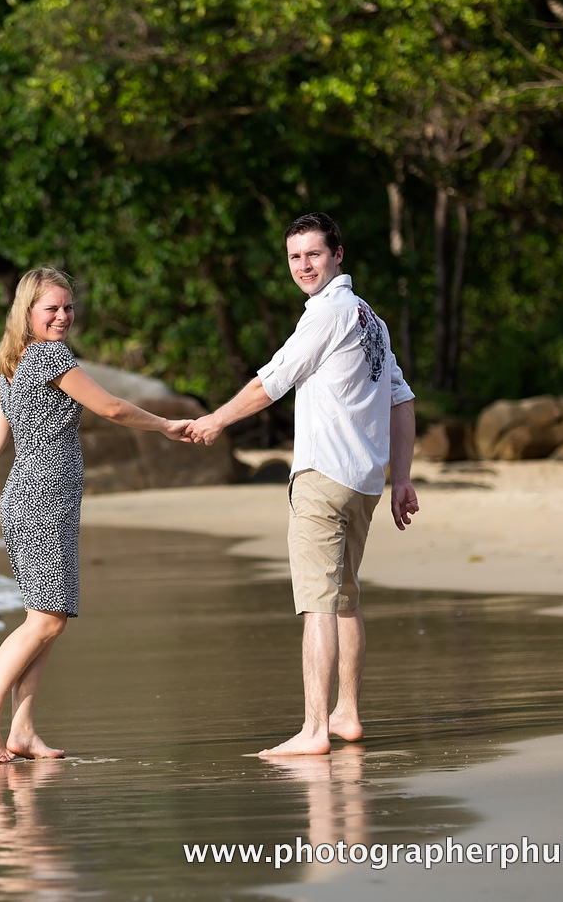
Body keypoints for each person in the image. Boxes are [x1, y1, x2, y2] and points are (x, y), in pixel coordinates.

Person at [188, 212, 419, 756]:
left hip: (322, 477)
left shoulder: (327, 314)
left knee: (319, 604)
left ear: (338, 253)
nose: (303, 266)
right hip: (363, 482)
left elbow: (272, 380)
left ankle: (314, 729)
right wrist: (400, 477)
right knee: (344, 601)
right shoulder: (371, 320)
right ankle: (347, 715)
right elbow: (402, 398)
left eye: (313, 254)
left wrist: (215, 421)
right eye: (294, 257)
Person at [0, 267, 193, 763]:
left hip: (33, 500)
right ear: (28, 312)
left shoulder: (12, 361)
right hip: (42, 501)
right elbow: (113, 408)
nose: (62, 316)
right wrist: (165, 425)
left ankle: (24, 729)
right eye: (50, 308)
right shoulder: (50, 356)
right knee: (47, 619)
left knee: (48, 618)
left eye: (67, 307)